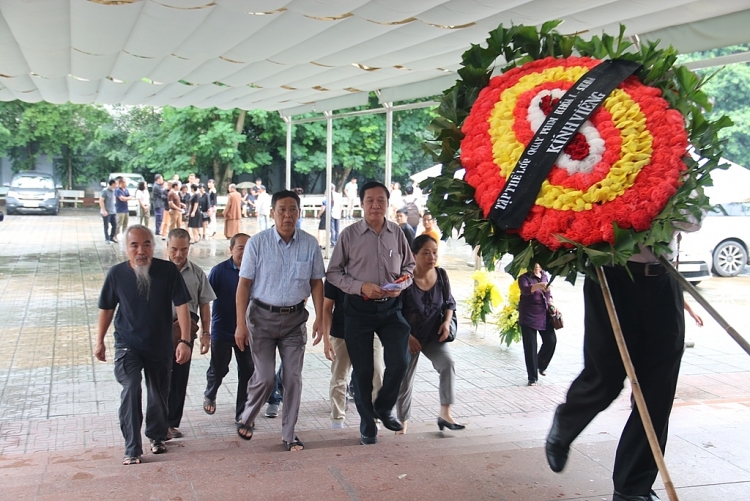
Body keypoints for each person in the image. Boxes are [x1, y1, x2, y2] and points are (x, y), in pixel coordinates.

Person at [545, 242, 693, 501]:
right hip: (611, 277)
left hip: (662, 279)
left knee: (658, 394)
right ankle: (566, 423)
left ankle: (632, 489)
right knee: (606, 376)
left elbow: (692, 219)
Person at [234, 190, 325, 451]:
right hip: (261, 320)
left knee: (293, 378)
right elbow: (244, 286)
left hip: (295, 321)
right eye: (282, 210)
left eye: (292, 210)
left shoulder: (309, 244)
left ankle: (289, 434)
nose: (287, 215)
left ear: (299, 213)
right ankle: (248, 416)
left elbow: (316, 282)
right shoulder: (257, 243)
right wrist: (240, 324)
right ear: (272, 213)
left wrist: (320, 318)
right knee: (264, 378)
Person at [327, 181, 415, 445]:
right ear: (362, 204)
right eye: (370, 201)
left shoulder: (397, 234)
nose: (376, 205)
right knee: (363, 371)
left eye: (381, 201)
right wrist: (359, 286)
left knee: (400, 360)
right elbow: (333, 273)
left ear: (388, 204)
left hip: (390, 309)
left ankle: (384, 407)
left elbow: (409, 267)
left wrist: (403, 283)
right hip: (358, 309)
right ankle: (367, 423)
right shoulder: (349, 235)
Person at [95, 225, 191, 465]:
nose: (141, 250)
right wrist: (99, 342)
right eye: (134, 245)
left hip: (160, 345)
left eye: (146, 244)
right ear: (126, 248)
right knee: (132, 387)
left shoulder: (168, 271)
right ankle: (132, 448)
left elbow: (182, 307)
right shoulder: (116, 275)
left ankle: (157, 436)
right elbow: (107, 308)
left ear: (153, 246)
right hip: (128, 345)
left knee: (159, 395)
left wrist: (185, 341)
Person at [396, 235, 463, 433]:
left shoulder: (441, 275)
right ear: (414, 255)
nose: (431, 257)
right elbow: (395, 311)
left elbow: (450, 303)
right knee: (404, 378)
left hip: (434, 336)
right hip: (409, 338)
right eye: (426, 252)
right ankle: (402, 421)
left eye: (434, 252)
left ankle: (445, 413)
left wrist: (446, 322)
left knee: (447, 363)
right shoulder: (405, 279)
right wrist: (407, 337)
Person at [165, 228, 216, 439]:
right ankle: (158, 422)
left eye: (184, 249)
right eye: (174, 249)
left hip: (186, 332)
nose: (179, 254)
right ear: (167, 247)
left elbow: (205, 304)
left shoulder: (197, 274)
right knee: (159, 377)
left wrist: (206, 333)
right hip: (160, 330)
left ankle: (171, 422)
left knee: (179, 376)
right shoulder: (157, 271)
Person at [203, 233, 254, 423]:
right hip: (222, 330)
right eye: (240, 248)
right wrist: (205, 331)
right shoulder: (219, 271)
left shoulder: (256, 270)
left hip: (247, 331)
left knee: (248, 371)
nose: (244, 252)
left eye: (249, 248)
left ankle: (243, 413)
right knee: (219, 368)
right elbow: (205, 300)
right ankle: (211, 392)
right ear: (231, 249)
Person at [321, 280, 385, 429]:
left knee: (378, 372)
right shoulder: (334, 276)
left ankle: (375, 418)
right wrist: (326, 340)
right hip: (340, 332)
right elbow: (327, 308)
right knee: (339, 377)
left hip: (370, 331)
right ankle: (337, 419)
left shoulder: (369, 272)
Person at [518, 263, 557, 386]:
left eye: (539, 265)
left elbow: (548, 294)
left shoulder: (545, 275)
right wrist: (539, 285)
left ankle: (541, 364)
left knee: (551, 340)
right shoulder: (524, 277)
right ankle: (532, 377)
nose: (537, 268)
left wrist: (552, 304)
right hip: (528, 315)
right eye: (534, 266)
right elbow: (525, 290)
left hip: (544, 313)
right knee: (530, 347)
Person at [99, 179, 118, 244]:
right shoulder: (105, 191)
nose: (117, 185)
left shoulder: (114, 191)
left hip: (113, 211)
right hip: (106, 211)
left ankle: (111, 237)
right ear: (112, 184)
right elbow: (101, 200)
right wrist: (103, 210)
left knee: (115, 224)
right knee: (106, 225)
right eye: (116, 184)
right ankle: (107, 239)